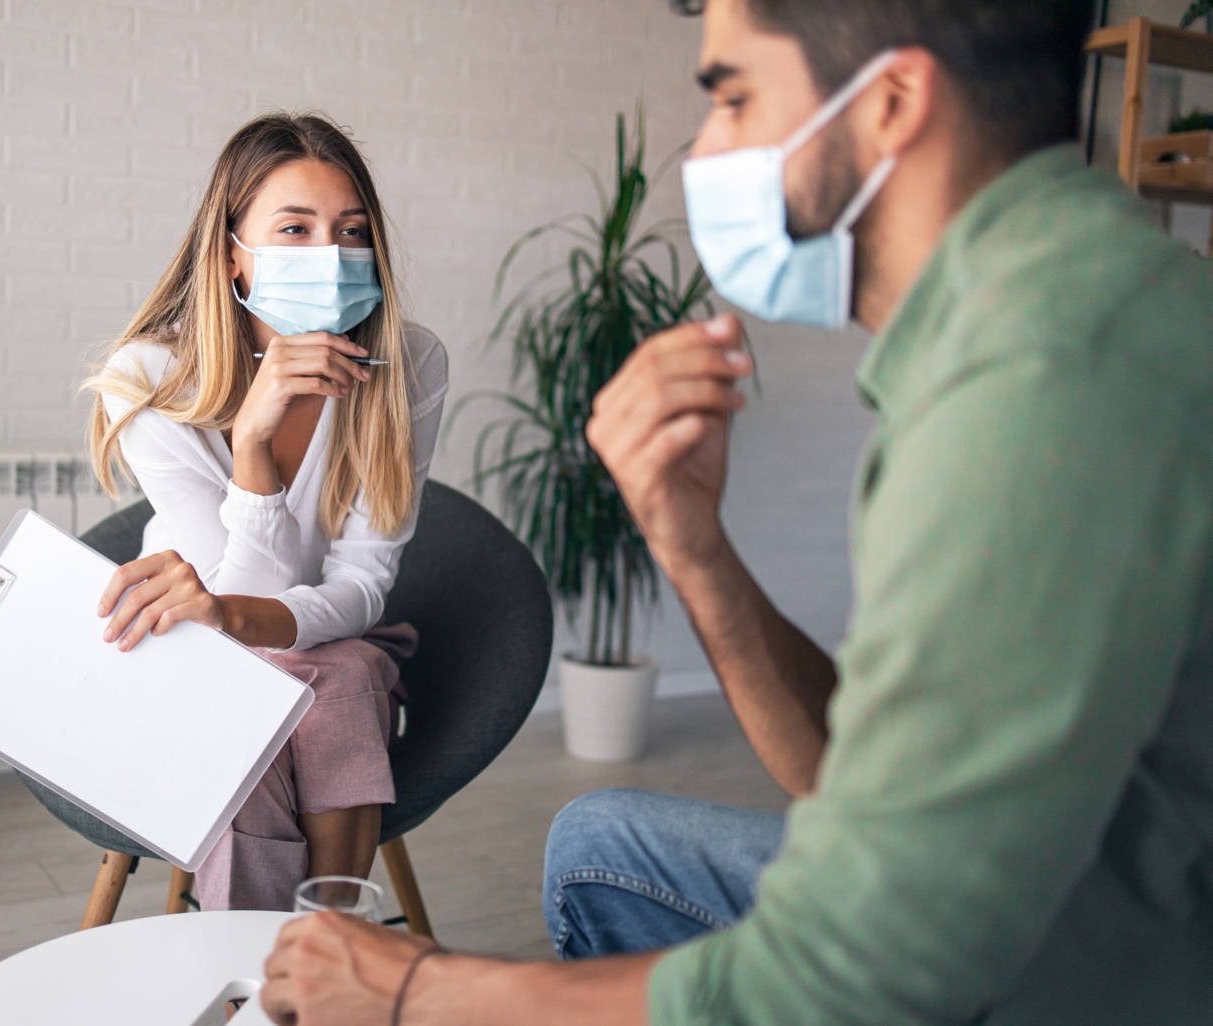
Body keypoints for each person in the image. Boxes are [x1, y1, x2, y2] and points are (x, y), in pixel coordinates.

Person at [255, 0, 1213, 1023]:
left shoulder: (1038, 385)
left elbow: (853, 974)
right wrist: (691, 544)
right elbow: (843, 781)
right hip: (1054, 885)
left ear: (891, 102)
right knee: (601, 847)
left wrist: (414, 986)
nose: (705, 149)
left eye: (734, 97)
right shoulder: (1041, 306)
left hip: (1099, 970)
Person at [84, 112, 449, 912]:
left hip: (320, 640)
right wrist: (250, 444)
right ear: (231, 254)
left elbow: (360, 587)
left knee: (340, 675)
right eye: (294, 229)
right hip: (191, 652)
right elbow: (218, 615)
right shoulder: (148, 379)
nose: (331, 256)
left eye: (351, 232)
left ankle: (311, 952)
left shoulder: (409, 366)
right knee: (264, 704)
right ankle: (288, 970)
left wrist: (235, 614)